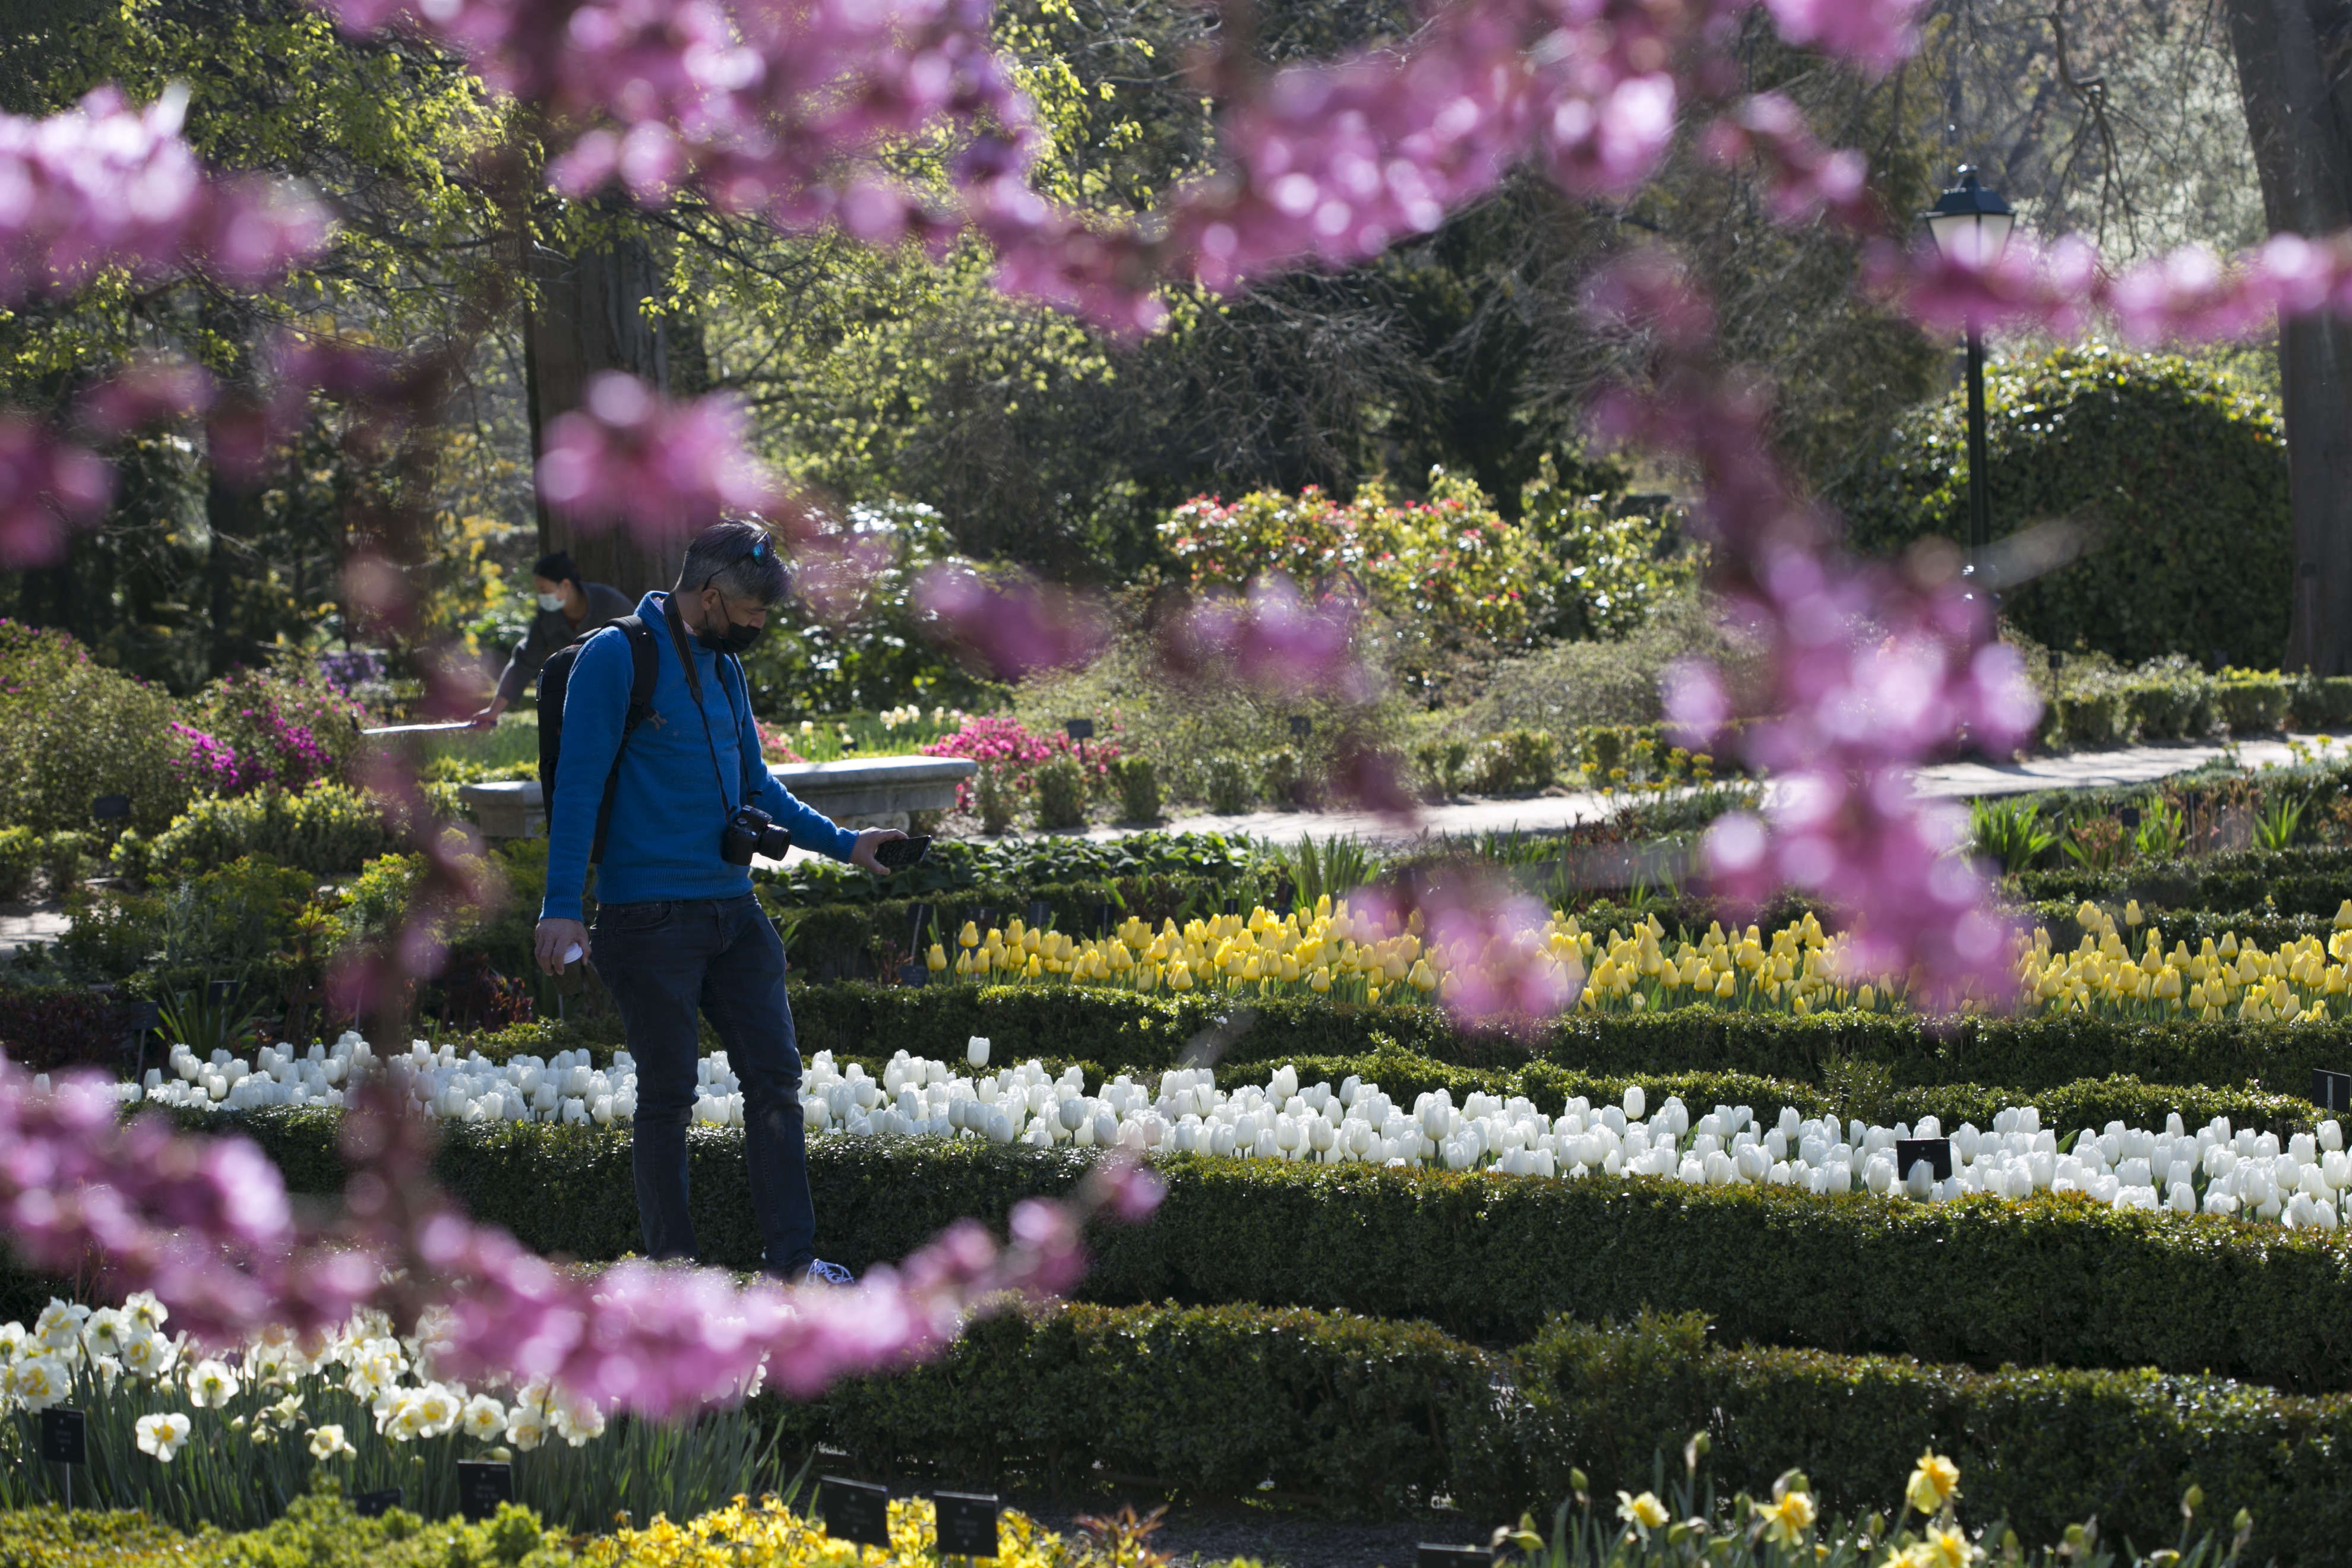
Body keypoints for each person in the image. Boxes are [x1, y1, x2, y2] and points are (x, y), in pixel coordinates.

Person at [532, 519, 902, 1284]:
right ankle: (674, 1285)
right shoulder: (615, 657)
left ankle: (794, 1268)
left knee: (777, 1083)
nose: (761, 627)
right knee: (668, 1098)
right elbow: (577, 789)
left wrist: (846, 842)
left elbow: (757, 786)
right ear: (707, 596)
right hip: (647, 919)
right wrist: (560, 905)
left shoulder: (725, 666)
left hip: (735, 913)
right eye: (752, 613)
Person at [470, 551, 635, 729]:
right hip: (576, 699)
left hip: (622, 692)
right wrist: (493, 711)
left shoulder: (611, 603)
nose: (541, 597)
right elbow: (524, 662)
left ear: (565, 585)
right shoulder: (546, 618)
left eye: (544, 591)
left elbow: (639, 644)